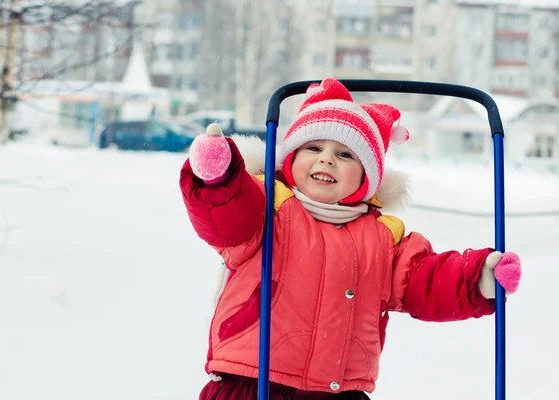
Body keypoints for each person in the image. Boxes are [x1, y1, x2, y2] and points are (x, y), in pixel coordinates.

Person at [179, 78, 522, 400]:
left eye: (345, 154)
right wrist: (218, 180)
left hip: (339, 392)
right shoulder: (265, 207)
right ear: (291, 158)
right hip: (252, 381)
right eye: (313, 147)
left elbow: (425, 279)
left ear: (366, 178)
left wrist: (478, 278)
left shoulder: (384, 238)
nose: (327, 158)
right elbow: (227, 217)